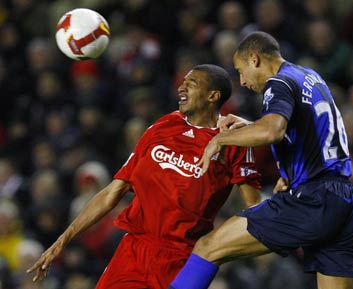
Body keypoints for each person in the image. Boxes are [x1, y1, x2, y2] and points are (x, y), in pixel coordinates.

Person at [26, 64, 262, 289]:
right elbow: (113, 191)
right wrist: (63, 240)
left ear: (213, 96)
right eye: (182, 82)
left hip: (182, 258)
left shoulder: (234, 140)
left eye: (191, 83)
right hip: (134, 249)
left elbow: (252, 207)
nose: (181, 87)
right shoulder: (163, 126)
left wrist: (218, 248)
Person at [168, 31, 353, 289]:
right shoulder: (310, 77)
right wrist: (250, 126)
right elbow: (307, 129)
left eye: (241, 71)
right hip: (345, 199)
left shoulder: (279, 83)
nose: (243, 81)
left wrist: (219, 140)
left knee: (207, 247)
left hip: (314, 199)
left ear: (254, 59)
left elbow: (273, 130)